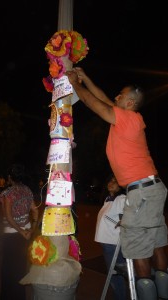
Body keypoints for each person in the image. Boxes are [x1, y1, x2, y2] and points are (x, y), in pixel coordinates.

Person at [66, 67, 168, 300]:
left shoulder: (129, 119)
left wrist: (75, 85)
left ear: (130, 102)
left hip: (142, 193)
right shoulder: (127, 120)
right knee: (157, 244)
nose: (115, 97)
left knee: (138, 251)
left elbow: (95, 104)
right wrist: (87, 78)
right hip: (150, 189)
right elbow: (102, 98)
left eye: (120, 96)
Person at [0, 163, 39, 300]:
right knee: (20, 267)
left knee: (8, 269)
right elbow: (35, 210)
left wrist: (21, 231)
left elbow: (9, 217)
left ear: (10, 177)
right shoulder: (27, 190)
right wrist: (31, 229)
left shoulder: (7, 193)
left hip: (12, 235)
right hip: (26, 234)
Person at [95, 174, 127, 300]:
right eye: (110, 180)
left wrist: (124, 220)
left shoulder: (122, 199)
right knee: (115, 273)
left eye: (115, 181)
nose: (111, 183)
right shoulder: (109, 199)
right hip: (107, 242)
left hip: (112, 243)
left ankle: (121, 297)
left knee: (114, 274)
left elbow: (129, 213)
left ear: (121, 186)